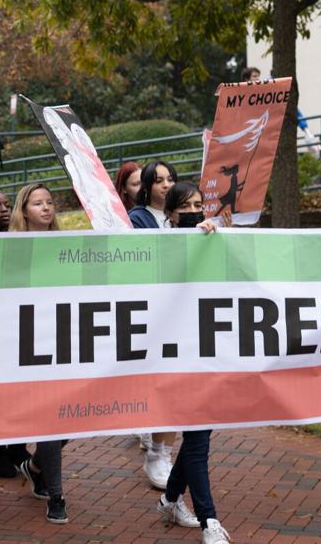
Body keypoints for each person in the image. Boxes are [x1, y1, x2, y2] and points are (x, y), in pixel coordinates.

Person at [154, 181, 232, 544]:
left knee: (198, 437)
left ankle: (170, 500)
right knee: (198, 441)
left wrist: (213, 241)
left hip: (207, 354)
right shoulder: (158, 245)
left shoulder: (209, 239)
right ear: (169, 214)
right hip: (174, 358)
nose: (193, 212)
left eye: (198, 205)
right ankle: (209, 522)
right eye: (184, 207)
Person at [4, 183, 69, 525]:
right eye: (37, 203)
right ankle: (56, 496)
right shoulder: (12, 246)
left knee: (74, 417)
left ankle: (36, 467)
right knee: (51, 421)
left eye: (49, 202)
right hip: (29, 344)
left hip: (65, 341)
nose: (46, 207)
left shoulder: (67, 245)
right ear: (24, 210)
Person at [126, 161, 178, 487]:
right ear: (147, 186)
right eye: (159, 180)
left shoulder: (183, 216)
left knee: (177, 384)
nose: (166, 185)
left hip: (180, 310)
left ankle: (163, 453)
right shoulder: (138, 219)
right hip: (151, 312)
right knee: (156, 379)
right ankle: (154, 449)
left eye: (170, 179)